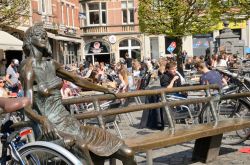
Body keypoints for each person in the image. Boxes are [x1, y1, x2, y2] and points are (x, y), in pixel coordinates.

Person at [19, 23, 137, 165]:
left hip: (72, 125)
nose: (44, 36)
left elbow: (77, 79)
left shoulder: (51, 64)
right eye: (38, 34)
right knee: (82, 147)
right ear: (30, 40)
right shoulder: (28, 69)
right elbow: (26, 107)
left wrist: (103, 89)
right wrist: (43, 120)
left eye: (44, 34)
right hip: (52, 129)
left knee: (127, 153)